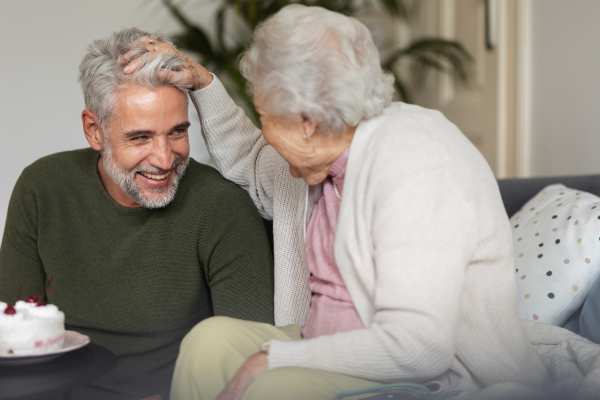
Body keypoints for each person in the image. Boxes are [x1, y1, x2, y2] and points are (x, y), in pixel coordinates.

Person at [121, 5, 549, 400]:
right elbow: (250, 160)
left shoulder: (418, 163)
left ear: (306, 121)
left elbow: (420, 349)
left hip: (436, 374)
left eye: (265, 116)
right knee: (207, 341)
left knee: (273, 386)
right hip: (321, 347)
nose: (264, 129)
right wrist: (204, 84)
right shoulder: (324, 150)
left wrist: (274, 358)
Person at [0, 28, 274, 400]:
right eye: (140, 137)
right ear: (94, 131)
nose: (164, 159)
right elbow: (14, 340)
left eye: (177, 132)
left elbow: (249, 363)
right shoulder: (41, 188)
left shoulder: (222, 206)